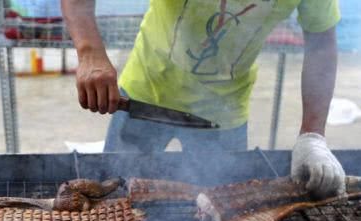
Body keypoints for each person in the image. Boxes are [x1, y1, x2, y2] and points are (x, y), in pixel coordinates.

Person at [62, 0, 345, 198]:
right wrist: (90, 53)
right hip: (145, 95)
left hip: (223, 115)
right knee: (115, 196)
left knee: (220, 204)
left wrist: (312, 136)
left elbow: (321, 43)